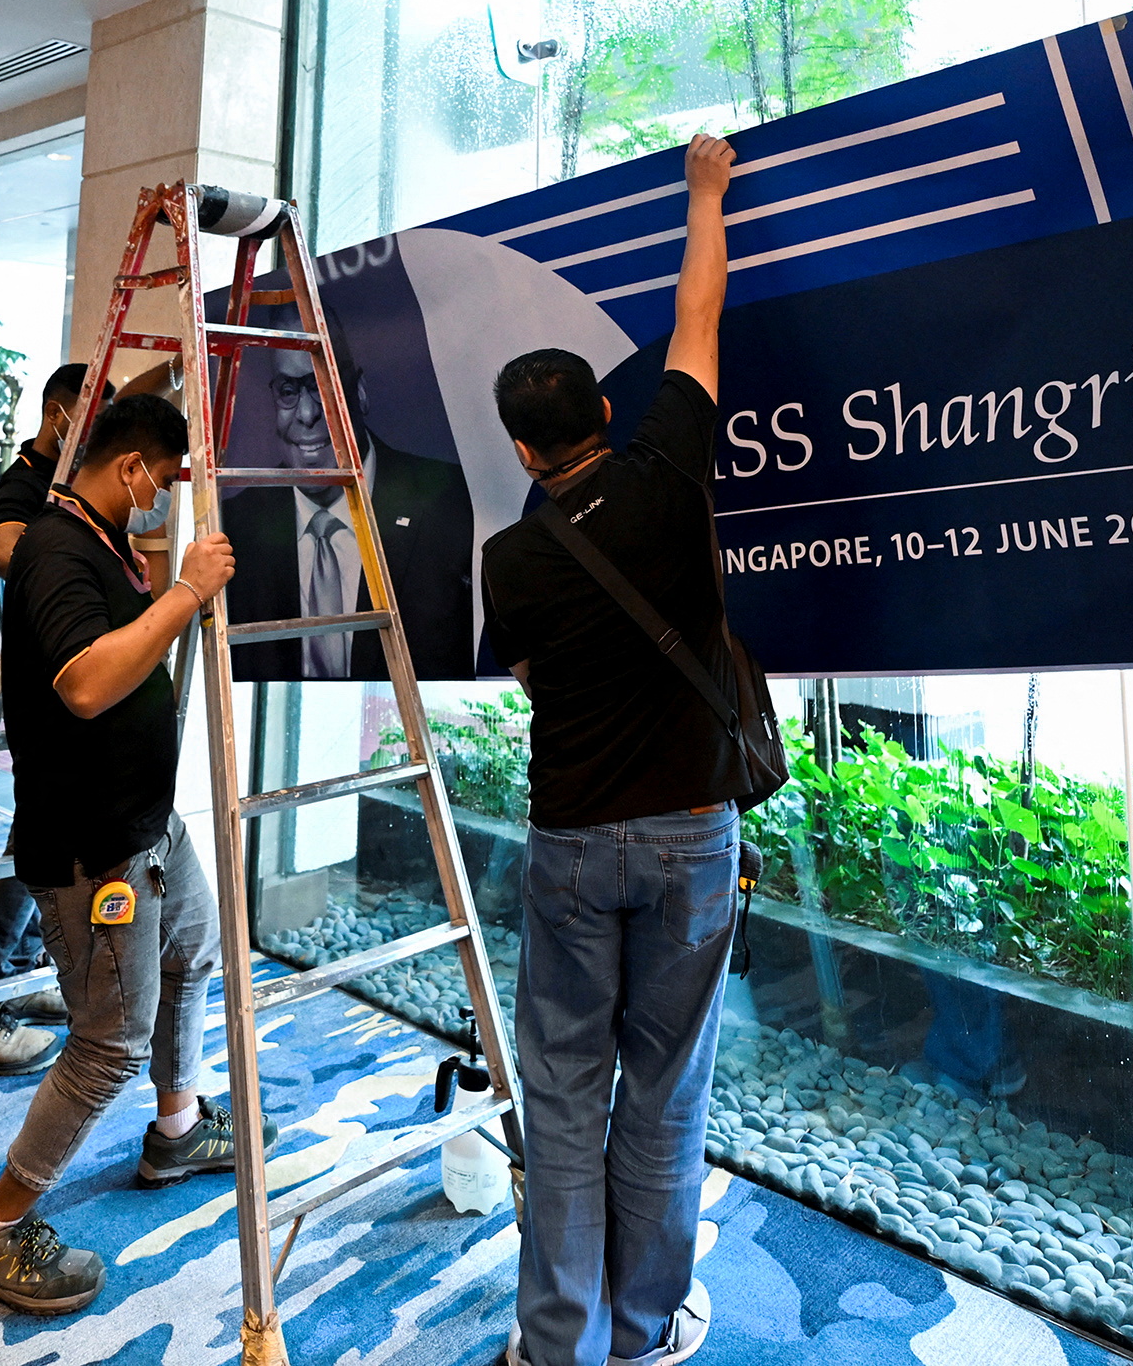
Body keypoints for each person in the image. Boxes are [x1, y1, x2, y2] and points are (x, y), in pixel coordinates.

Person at [480, 132, 739, 1366]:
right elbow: (700, 313)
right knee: (664, 1089)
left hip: (573, 834)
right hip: (692, 829)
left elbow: (530, 677)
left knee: (568, 1091)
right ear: (602, 413)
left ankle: (554, 1341)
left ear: (524, 450)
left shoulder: (511, 556)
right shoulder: (668, 468)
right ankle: (644, 1329)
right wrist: (704, 192)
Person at [0, 391, 260, 1315]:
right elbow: (84, 683)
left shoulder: (100, 536)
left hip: (146, 825)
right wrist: (188, 591)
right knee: (106, 1044)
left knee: (194, 950)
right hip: (92, 852)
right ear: (127, 468)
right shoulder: (54, 547)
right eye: (160, 479)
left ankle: (176, 1128)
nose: (163, 496)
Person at [0, 361, 105, 1078]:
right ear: (59, 416)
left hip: (76, 688)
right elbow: (7, 550)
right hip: (44, 692)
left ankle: (23, 975)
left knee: (55, 839)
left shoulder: (67, 483)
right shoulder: (22, 488)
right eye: (92, 417)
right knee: (32, 845)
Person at [223, 322, 475, 681]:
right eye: (288, 391)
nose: (307, 414)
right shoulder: (237, 525)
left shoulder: (448, 502)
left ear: (359, 392)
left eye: (321, 387)